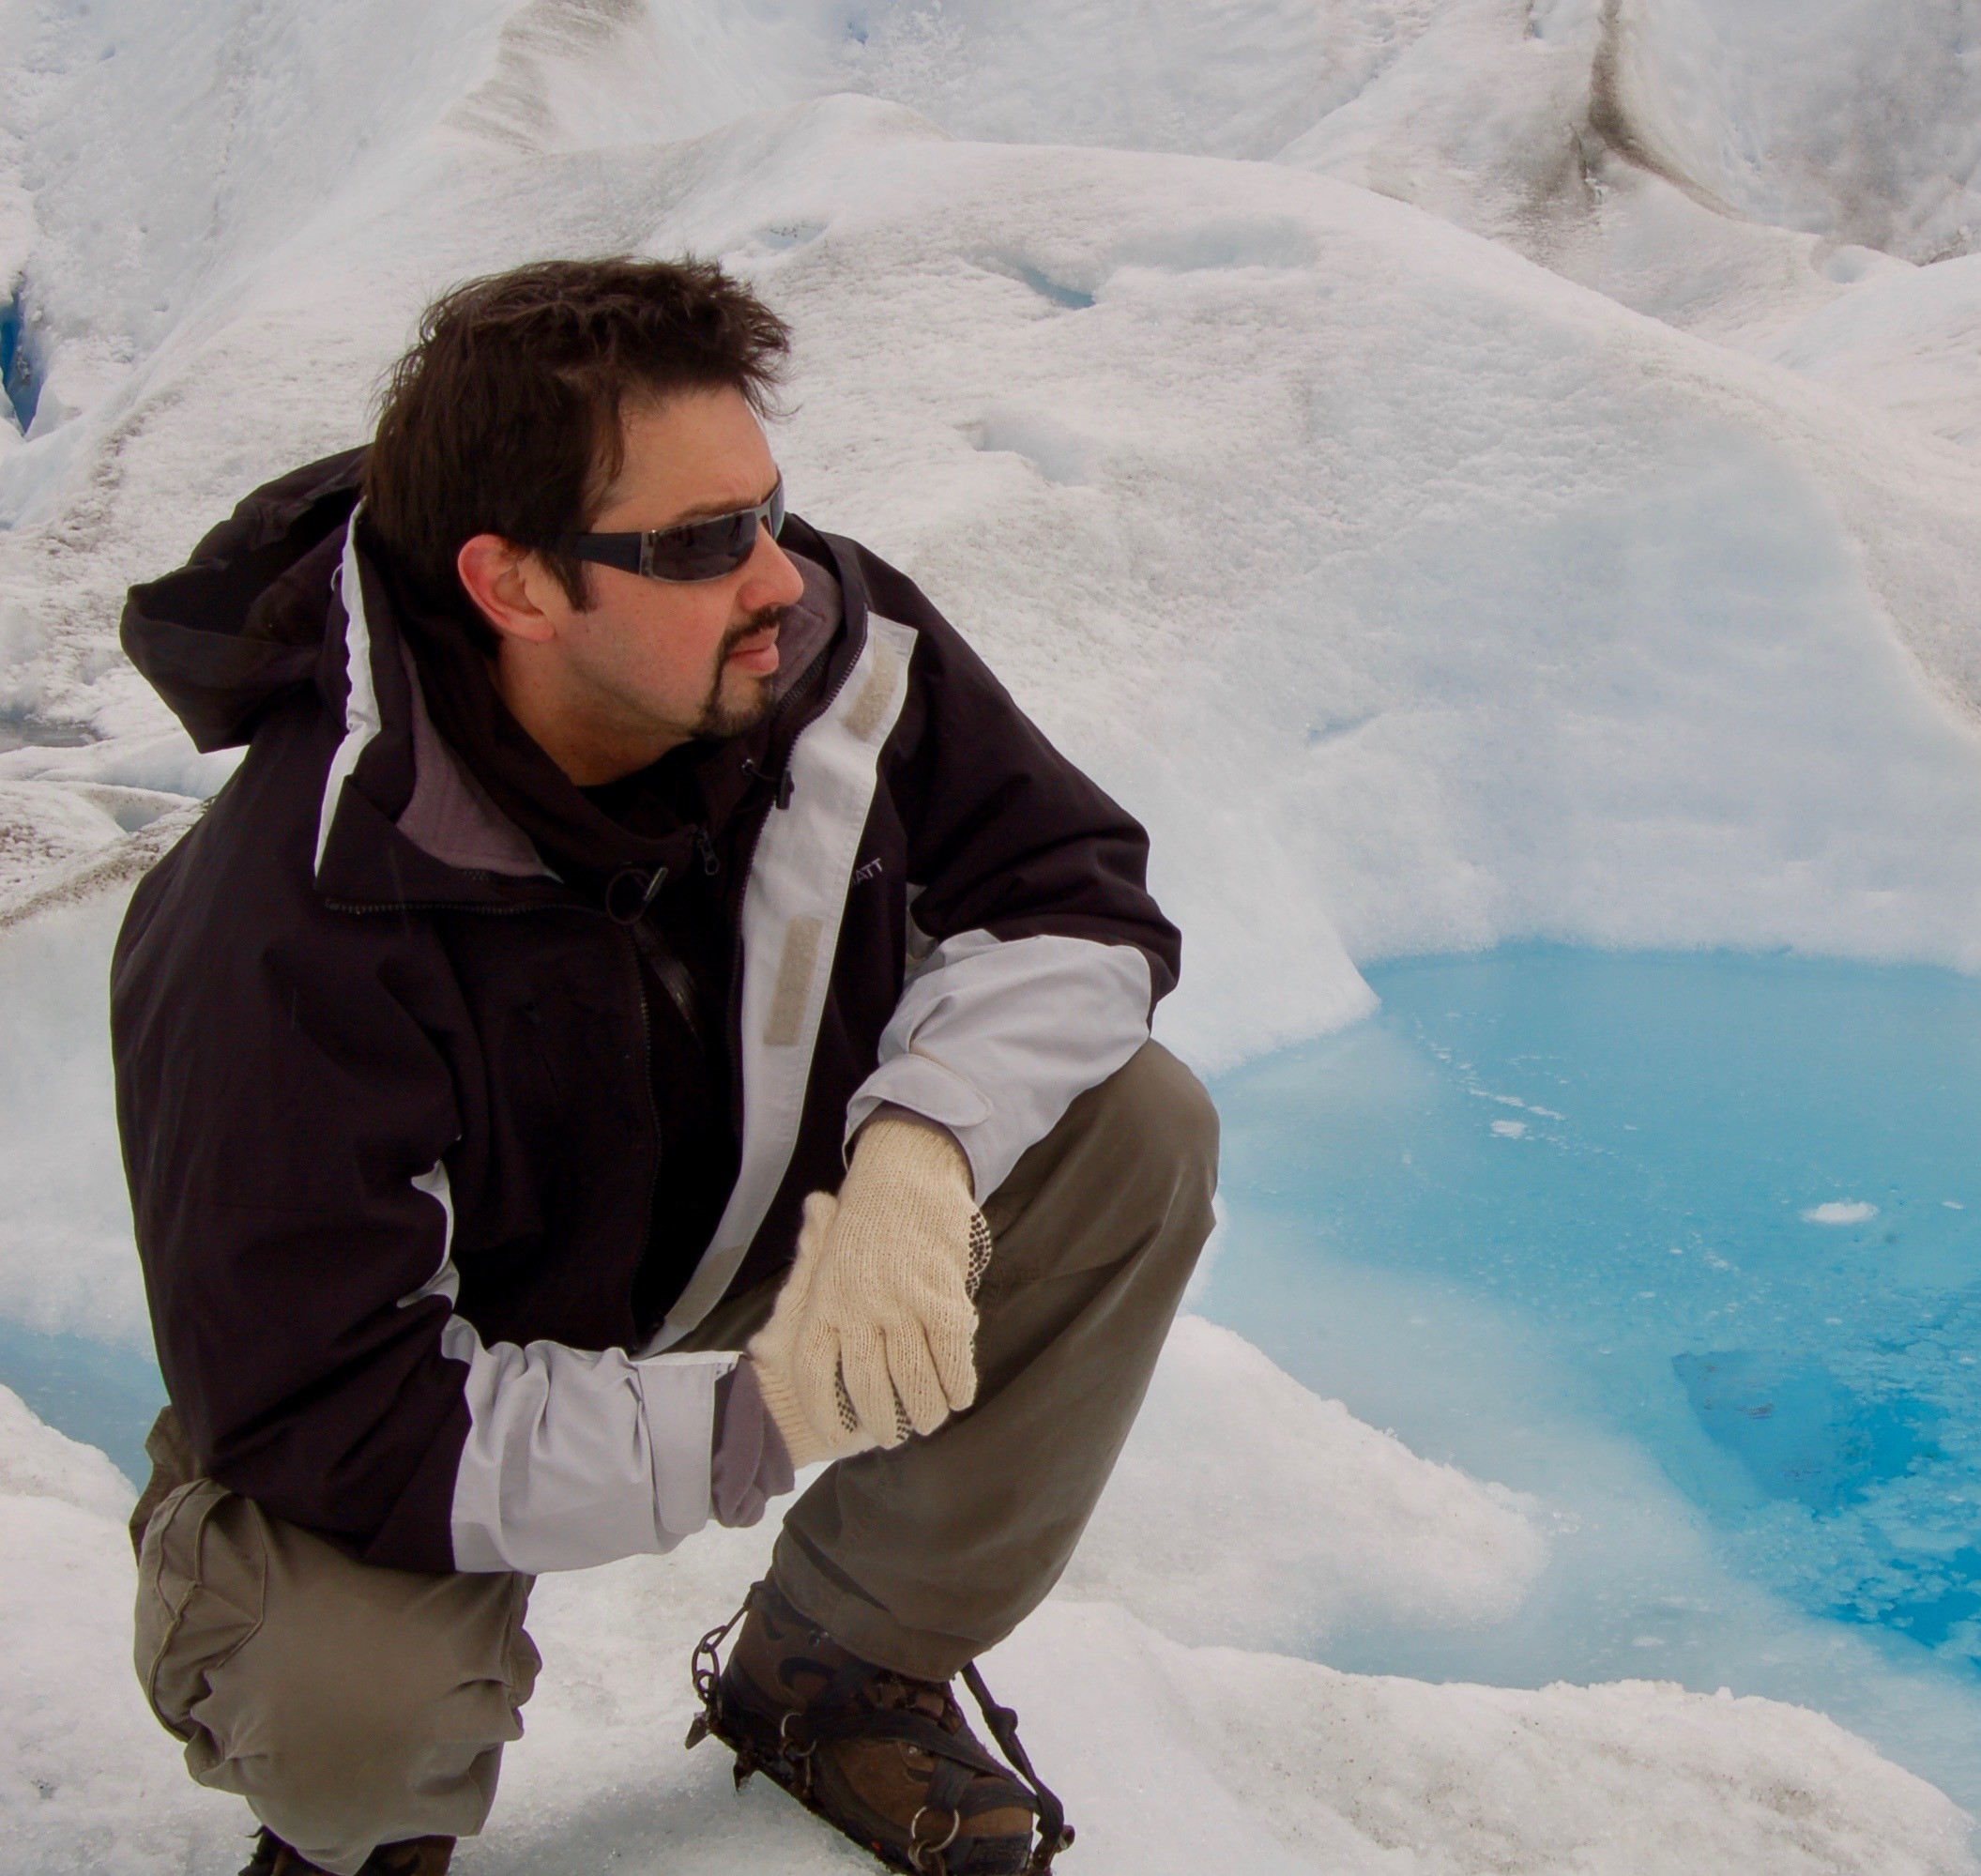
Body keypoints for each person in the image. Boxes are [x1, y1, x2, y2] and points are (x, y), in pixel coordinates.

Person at [112, 257, 1218, 1876]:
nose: (778, 578)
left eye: (770, 511)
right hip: (420, 1369)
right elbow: (339, 1413)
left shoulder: (832, 652)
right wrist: (766, 1411)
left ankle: (836, 1671)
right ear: (516, 586)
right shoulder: (286, 917)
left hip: (738, 1217)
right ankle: (365, 1831)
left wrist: (920, 1152)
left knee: (1133, 1133)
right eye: (703, 547)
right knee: (352, 1707)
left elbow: (1077, 898)